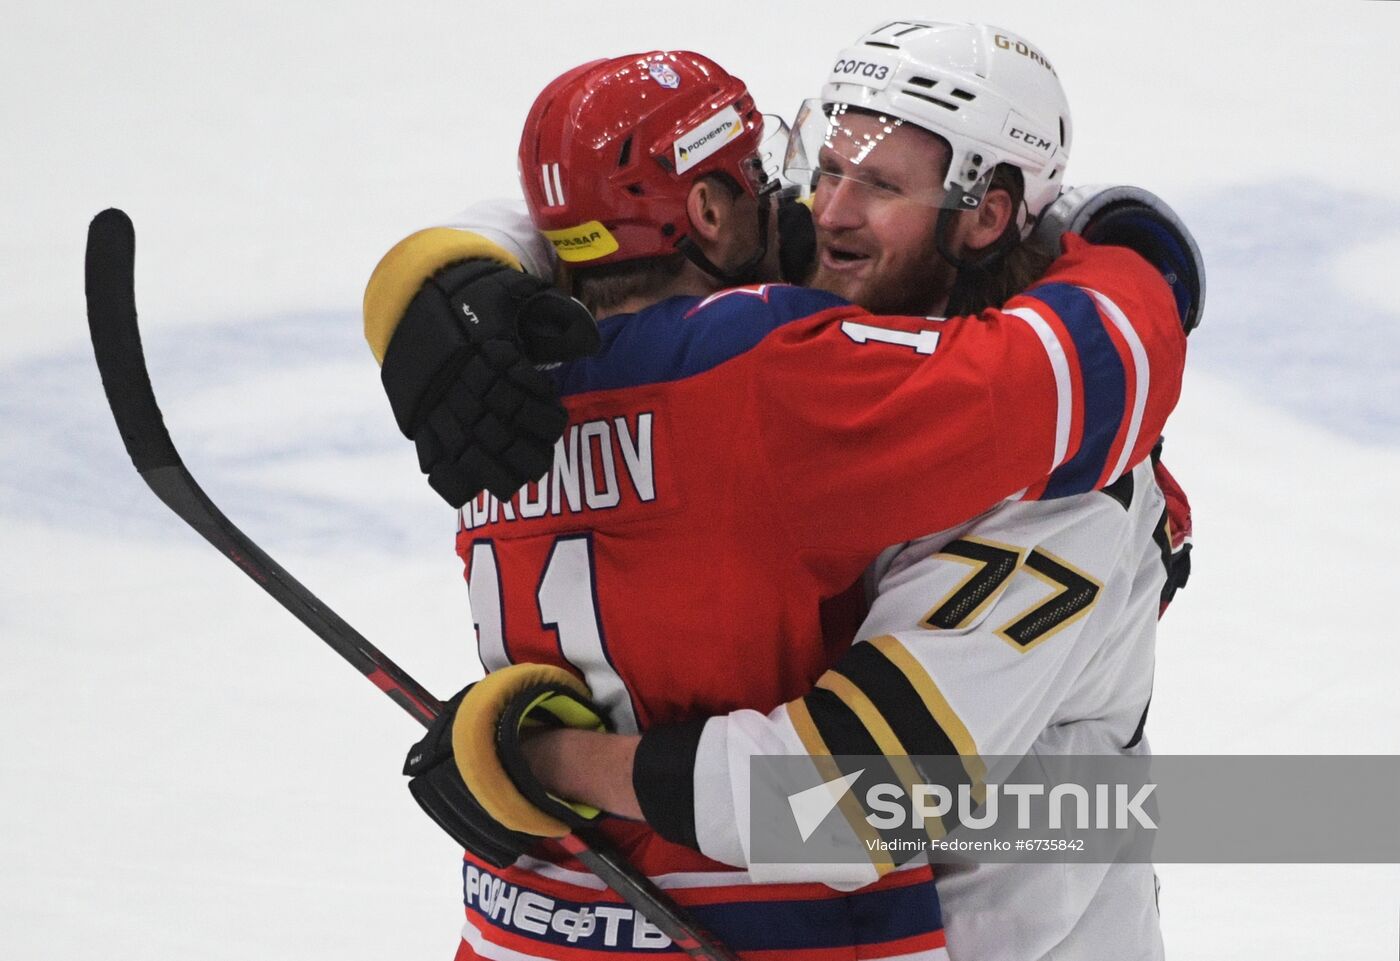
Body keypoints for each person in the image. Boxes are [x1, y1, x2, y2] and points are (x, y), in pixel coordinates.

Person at [365, 22, 1193, 961]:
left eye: (879, 184)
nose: (825, 211)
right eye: (823, 164)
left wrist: (536, 759)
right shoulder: (787, 367)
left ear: (987, 215)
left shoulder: (1063, 488)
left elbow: (852, 796)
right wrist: (457, 265)